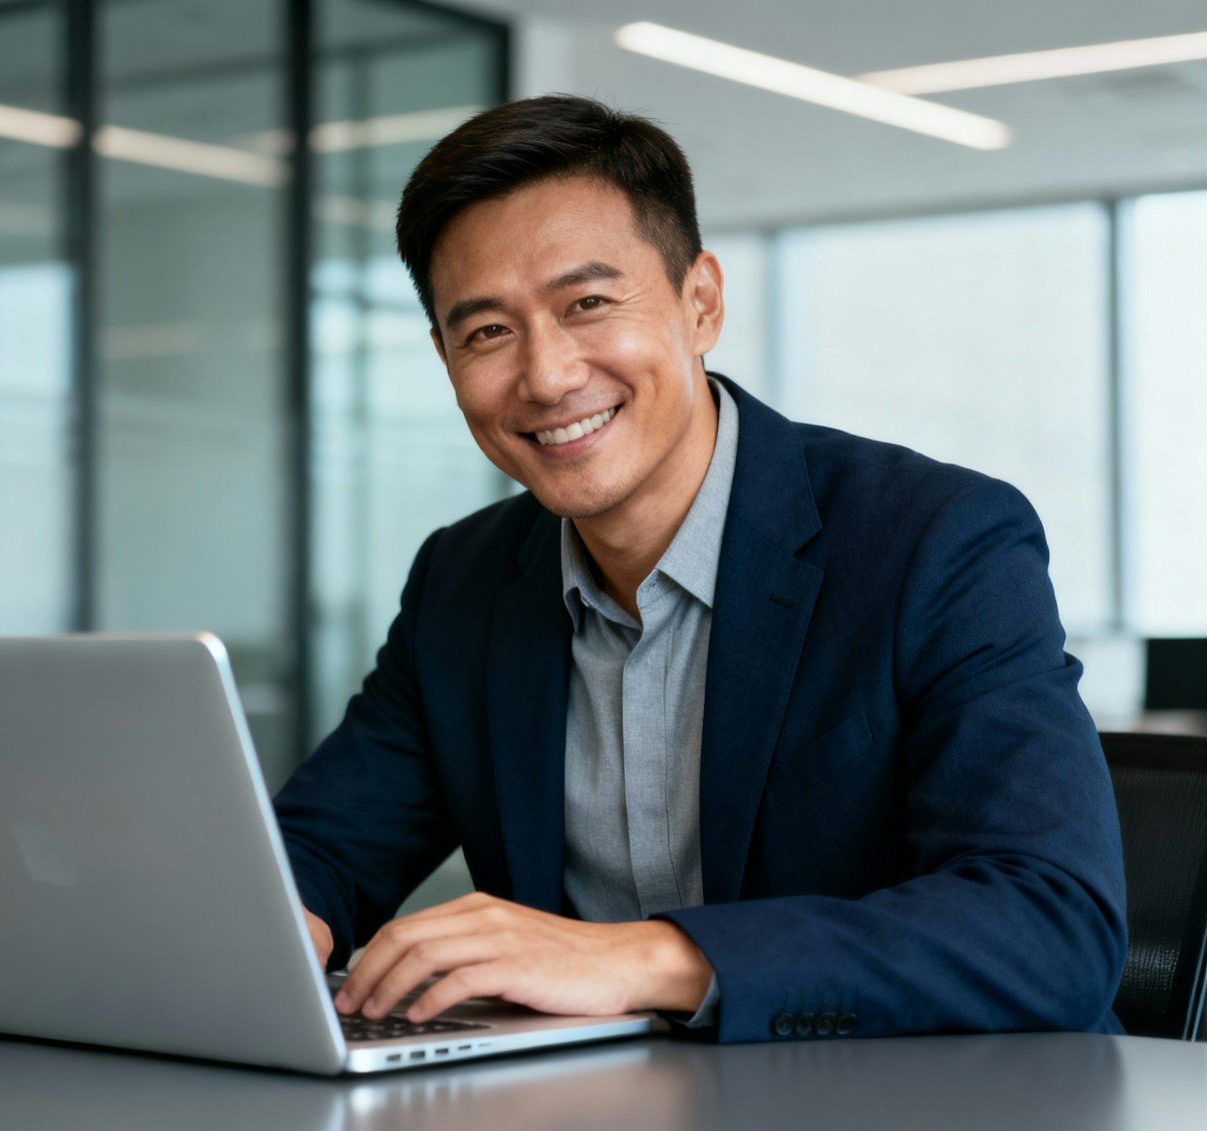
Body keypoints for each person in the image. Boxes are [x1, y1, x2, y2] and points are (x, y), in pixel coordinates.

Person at [272, 94, 1127, 1044]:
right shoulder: (464, 580)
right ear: (444, 357)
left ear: (701, 302)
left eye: (588, 303)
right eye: (486, 333)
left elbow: (1051, 925)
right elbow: (318, 850)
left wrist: (644, 957)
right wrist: (271, 928)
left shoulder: (936, 539)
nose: (548, 375)